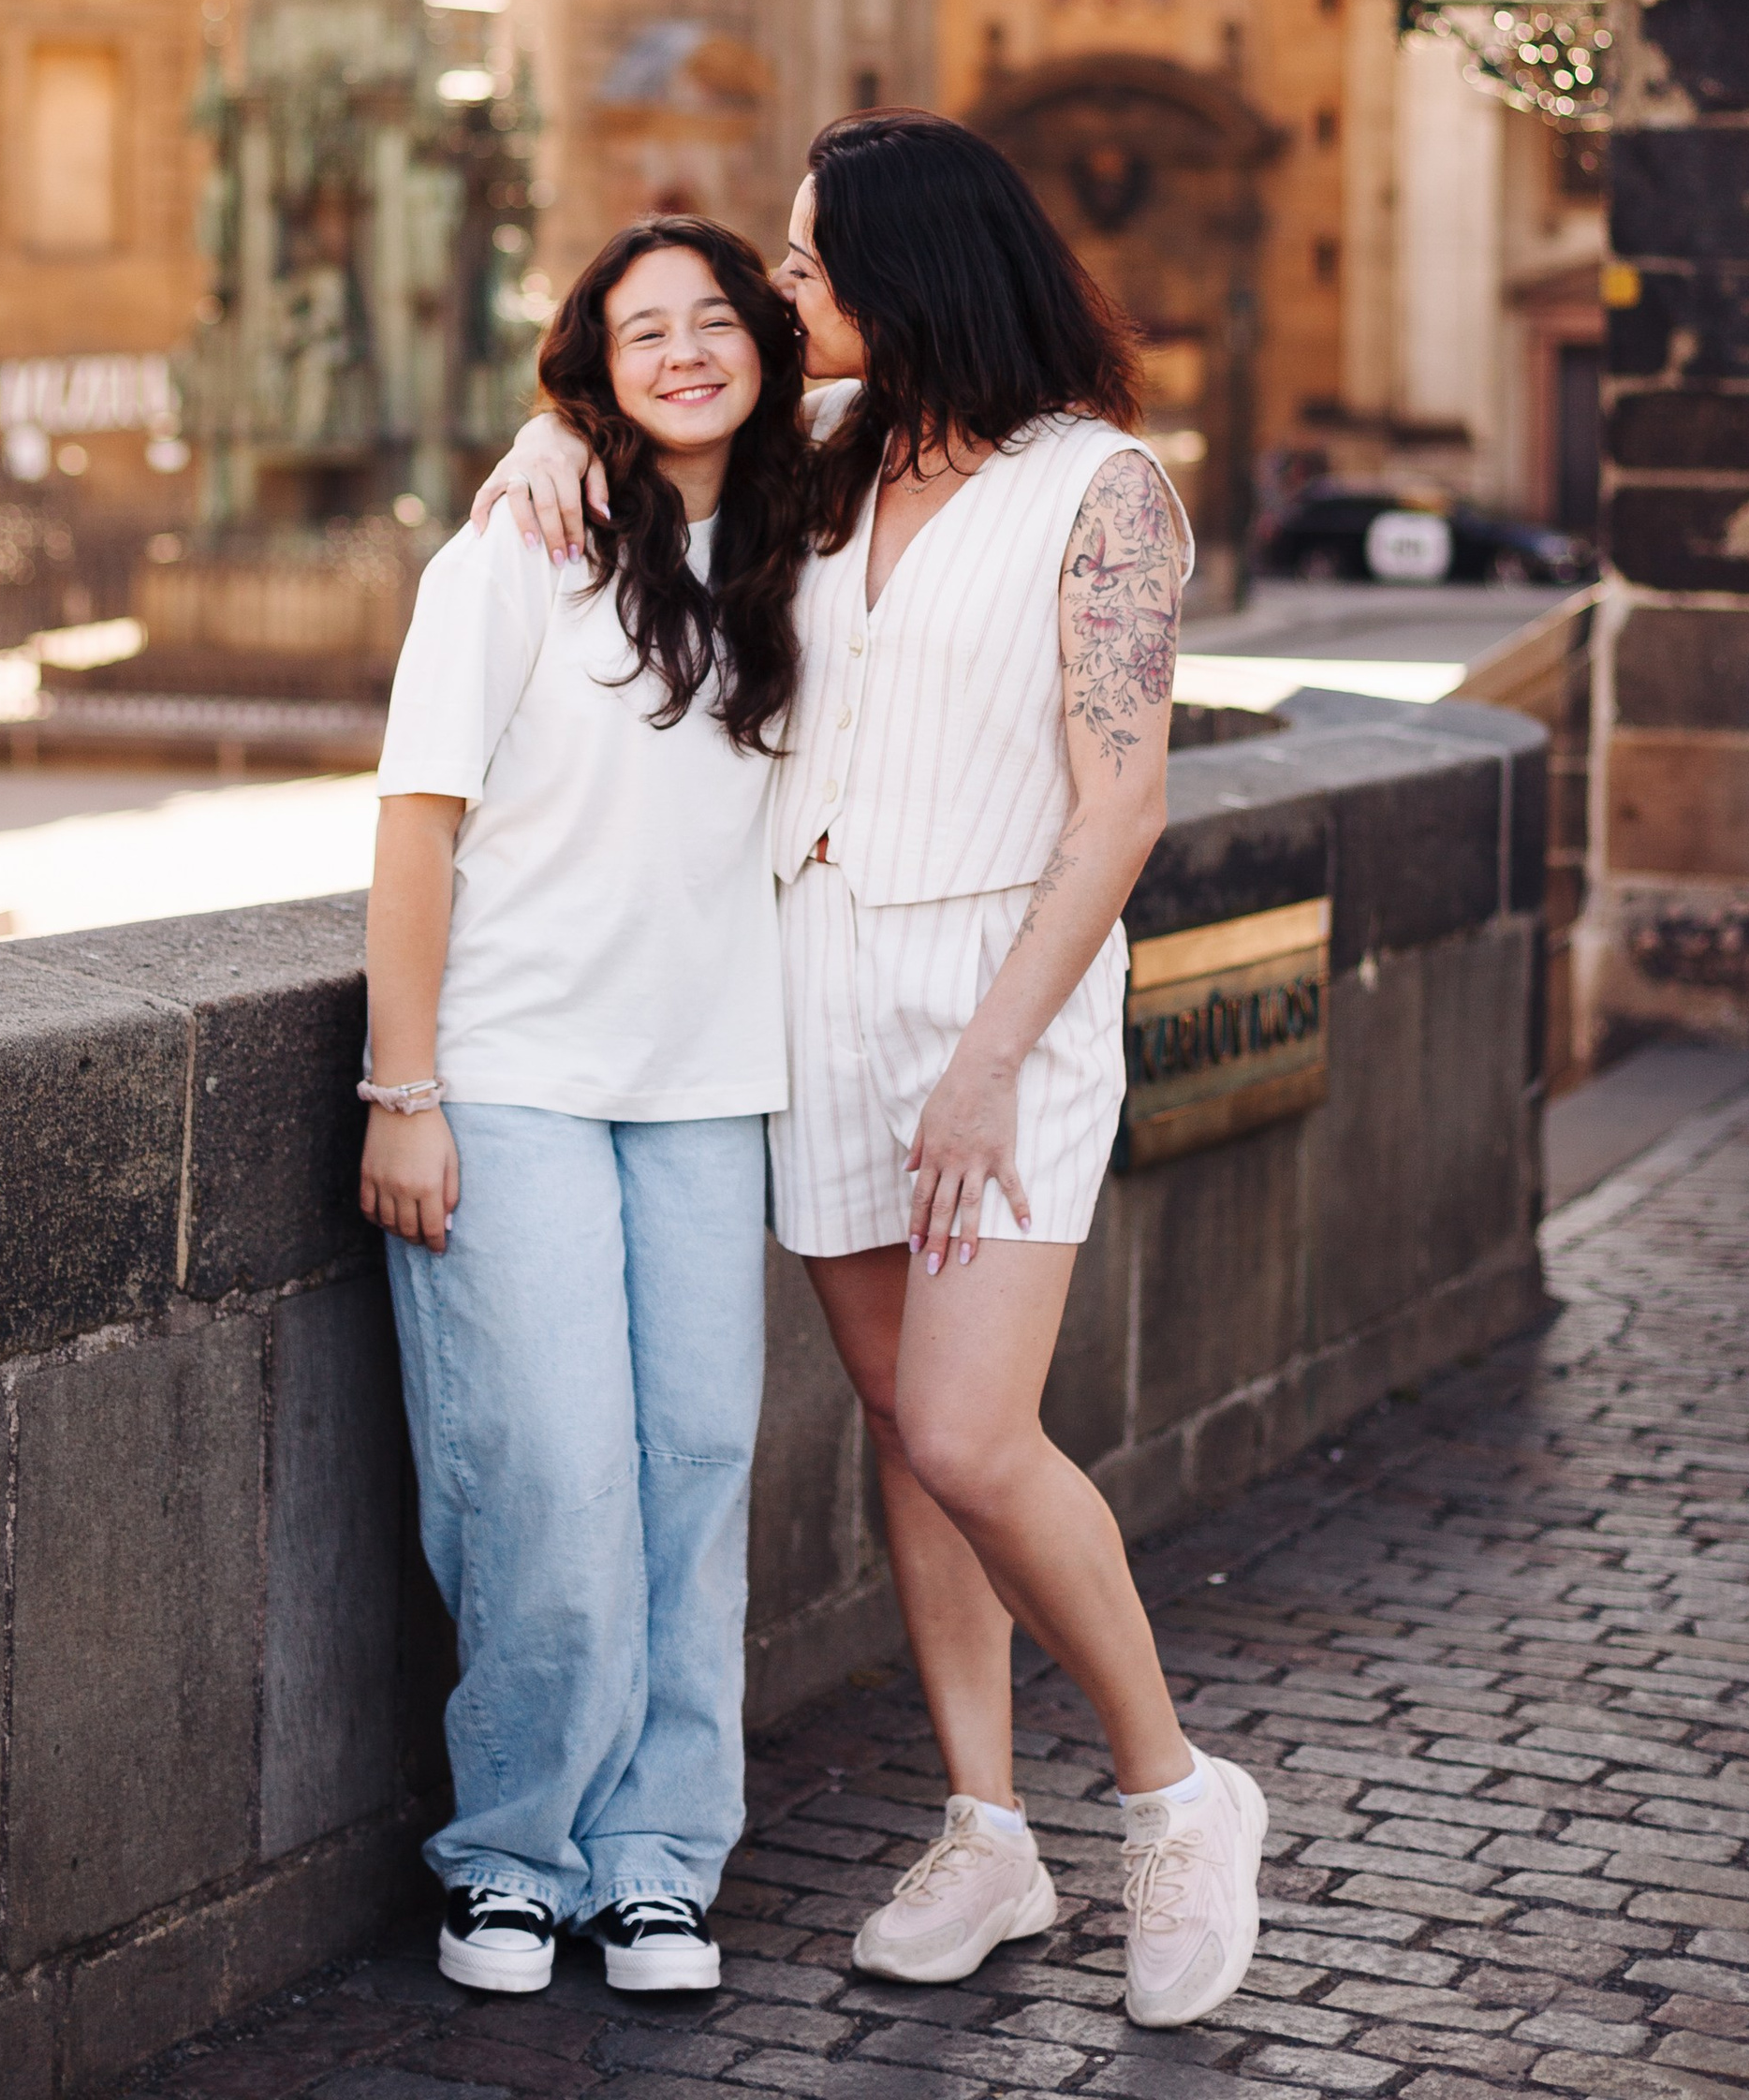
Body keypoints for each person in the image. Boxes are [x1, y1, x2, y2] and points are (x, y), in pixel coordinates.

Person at [475, 110, 1267, 2032]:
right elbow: (620, 409)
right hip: (801, 987)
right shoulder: (810, 459)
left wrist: (995, 1054)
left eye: (812, 263)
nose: (778, 291)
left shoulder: (1102, 490)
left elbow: (1122, 796)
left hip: (1001, 993)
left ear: (912, 273)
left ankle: (1174, 1798)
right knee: (911, 1437)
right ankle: (985, 1828)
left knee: (977, 1431)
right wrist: (539, 433)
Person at [361, 214, 809, 1998]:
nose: (689, 349)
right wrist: (406, 1088)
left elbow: (922, 375)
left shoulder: (812, 540)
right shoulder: (515, 551)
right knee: (545, 1478)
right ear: (590, 365)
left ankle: (657, 1862)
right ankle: (513, 1855)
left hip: (713, 1085)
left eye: (722, 319)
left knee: (694, 1472)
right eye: (644, 331)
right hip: (518, 1074)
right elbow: (417, 823)